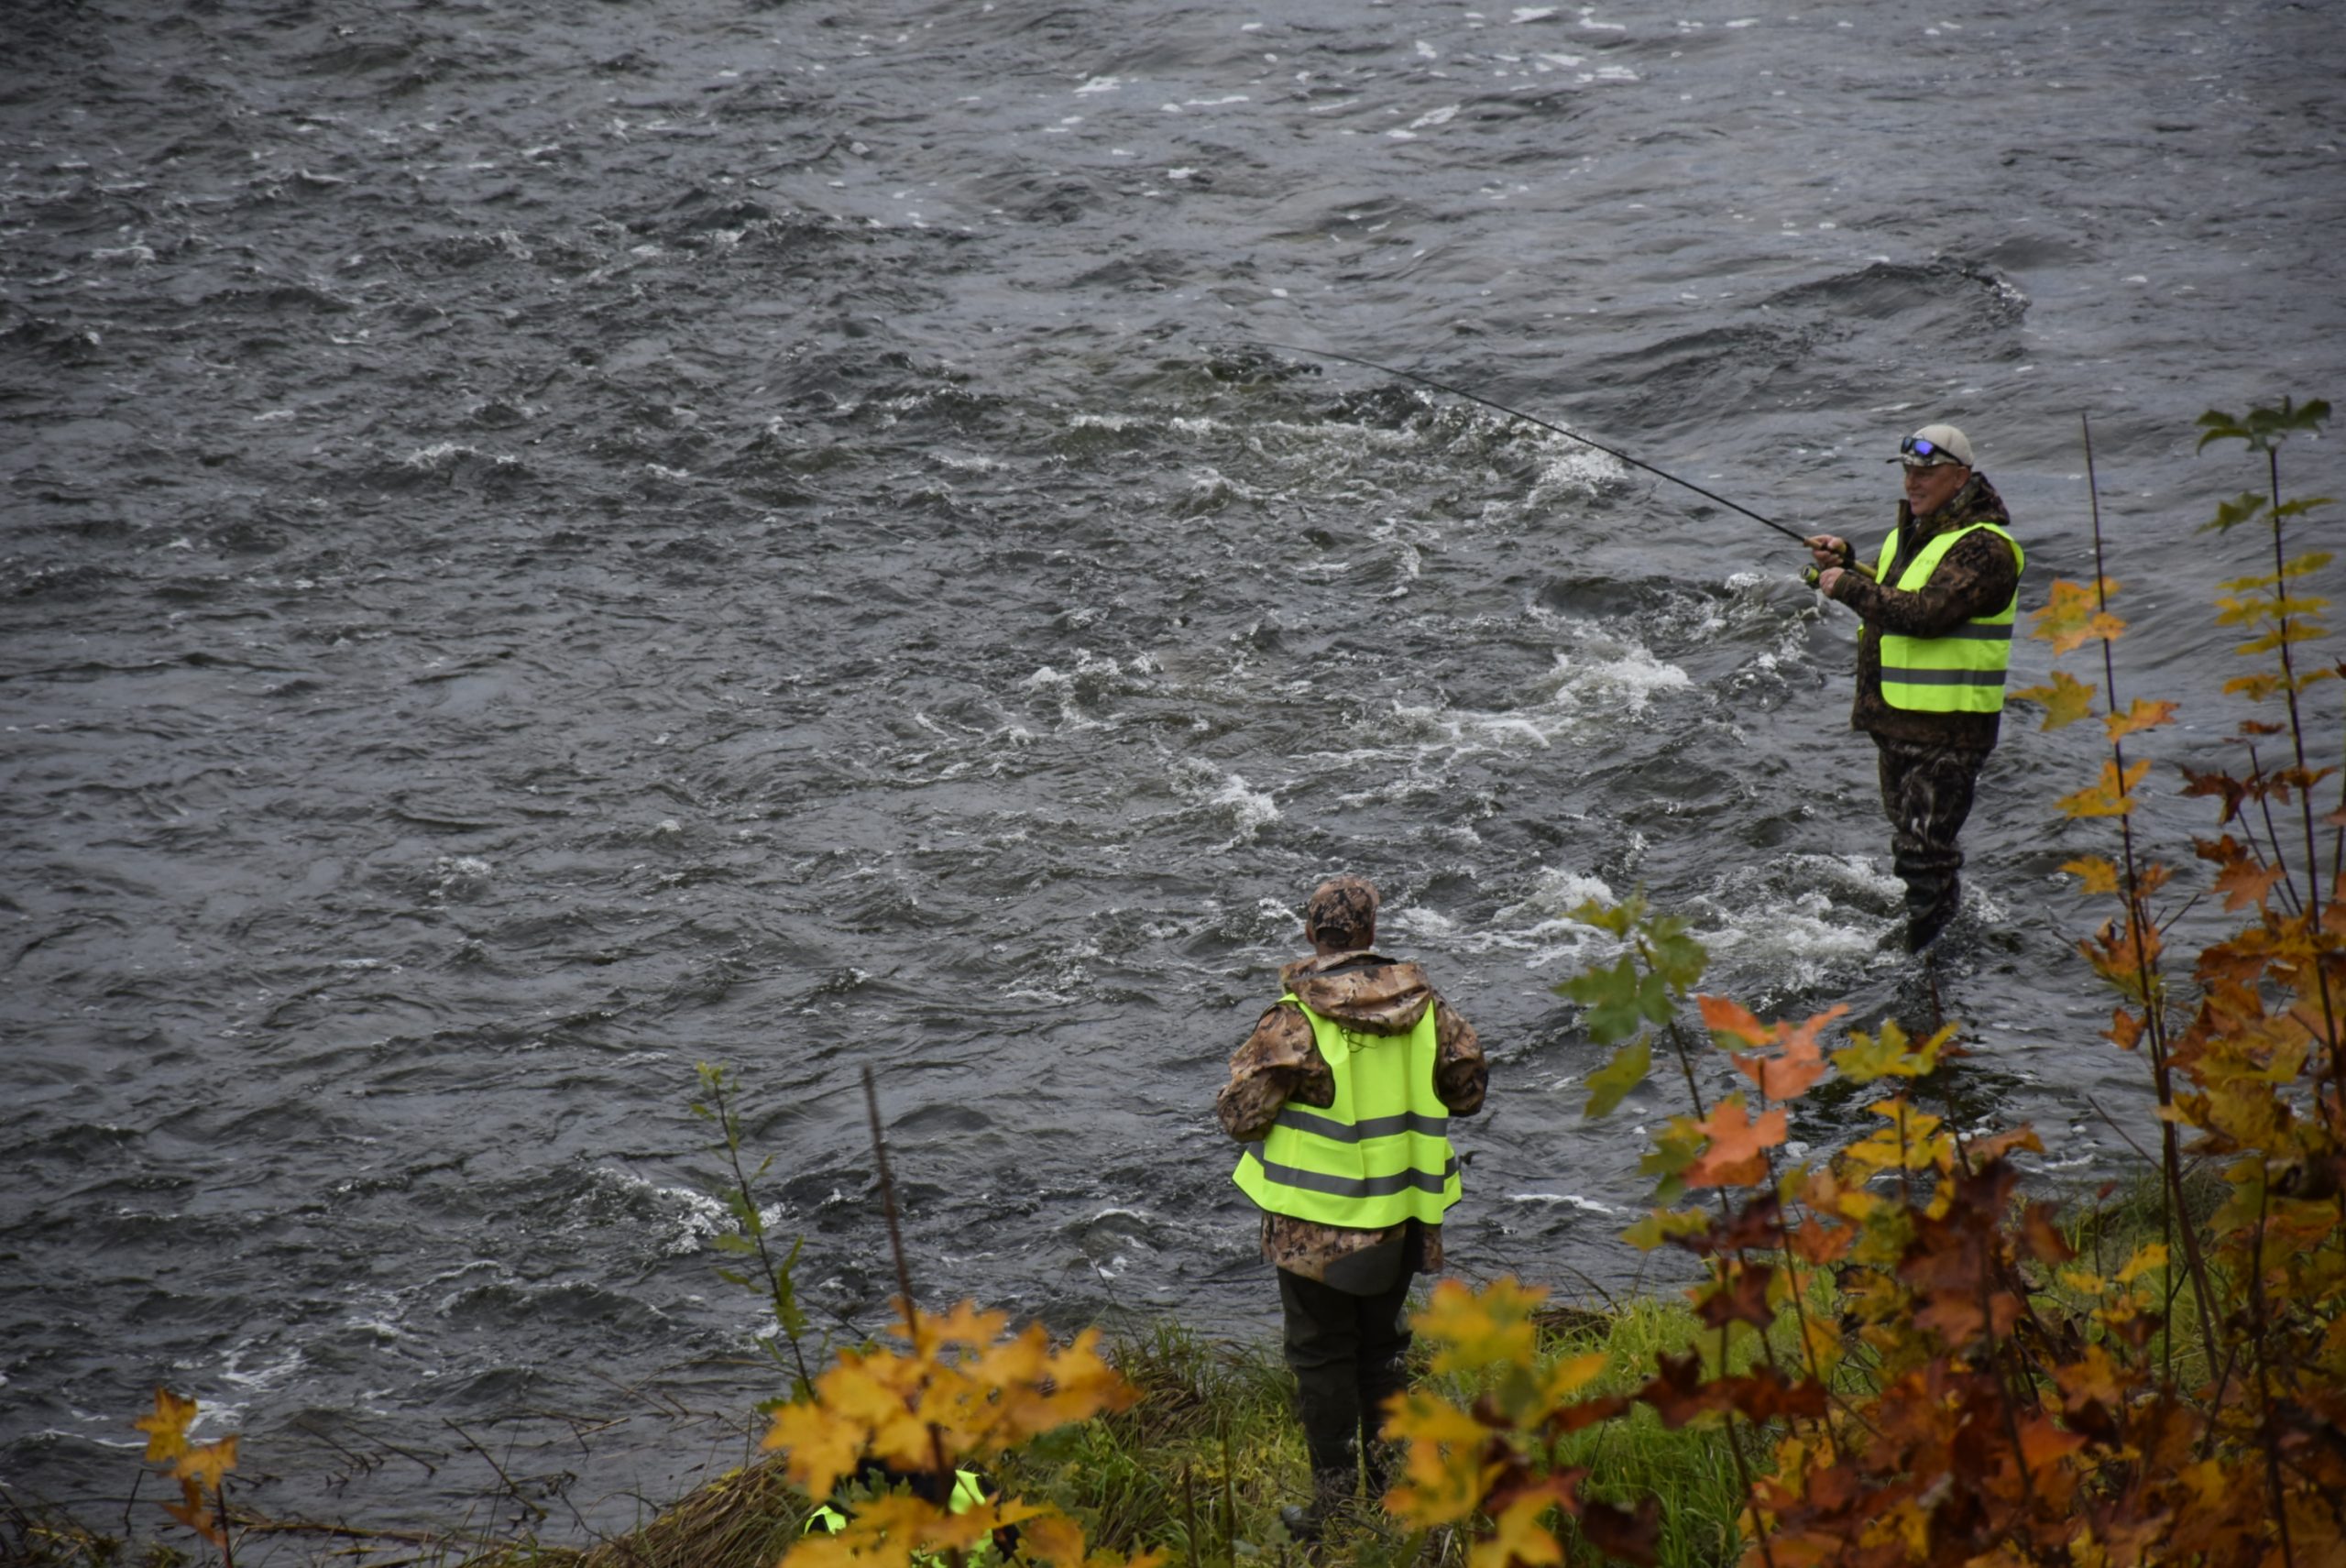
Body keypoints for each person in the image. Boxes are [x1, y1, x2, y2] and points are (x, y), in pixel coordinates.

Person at [1215, 875, 1487, 1541]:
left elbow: (1240, 1117)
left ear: (1312, 934)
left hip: (1316, 1230)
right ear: (1370, 933)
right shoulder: (1429, 1009)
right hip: (1402, 1217)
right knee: (1383, 1352)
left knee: (1321, 1358)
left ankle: (1334, 1512)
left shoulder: (1292, 1020)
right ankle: (1394, 1497)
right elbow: (1468, 1091)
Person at [1805, 422, 2024, 952]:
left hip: (1950, 732)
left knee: (1924, 853)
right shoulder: (1912, 535)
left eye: (1926, 472)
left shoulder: (1985, 549)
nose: (1912, 482)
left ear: (1961, 478)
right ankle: (1935, 943)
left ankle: (1928, 960)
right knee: (1914, 847)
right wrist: (1846, 563)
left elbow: (1927, 614)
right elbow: (1893, 593)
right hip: (1898, 723)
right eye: (1907, 470)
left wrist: (1847, 588)